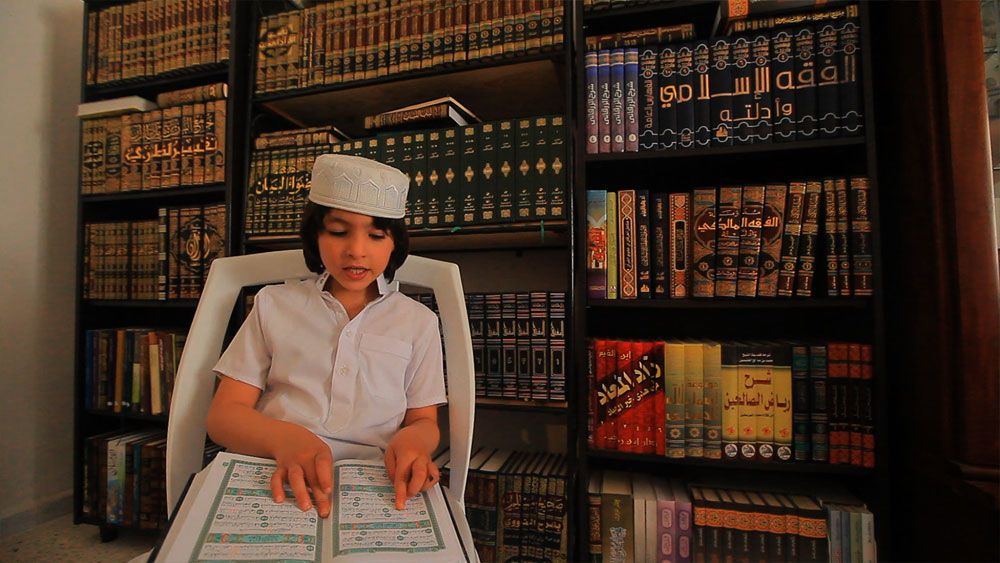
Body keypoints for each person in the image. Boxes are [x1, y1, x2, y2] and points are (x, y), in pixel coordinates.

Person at [205, 154, 447, 519]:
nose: (356, 250)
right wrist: (285, 439)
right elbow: (224, 416)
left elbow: (423, 421)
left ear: (394, 244)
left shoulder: (419, 322)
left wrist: (413, 442)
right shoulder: (274, 304)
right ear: (315, 235)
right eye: (338, 232)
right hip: (272, 466)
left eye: (376, 235)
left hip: (373, 481)